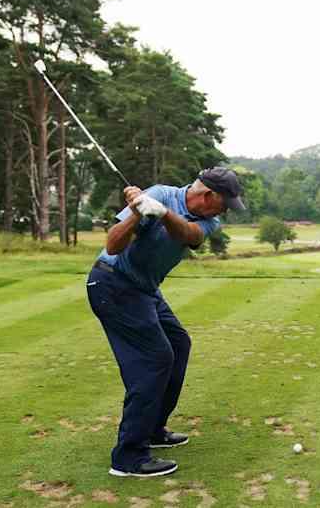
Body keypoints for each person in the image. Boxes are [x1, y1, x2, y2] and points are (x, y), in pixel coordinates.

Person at [86, 167, 245, 478]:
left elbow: (188, 234)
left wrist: (160, 213)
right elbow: (112, 246)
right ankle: (128, 457)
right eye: (224, 204)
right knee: (156, 359)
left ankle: (153, 428)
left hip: (145, 289)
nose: (225, 212)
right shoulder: (159, 193)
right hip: (113, 285)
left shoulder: (206, 220)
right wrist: (136, 212)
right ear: (208, 196)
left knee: (178, 343)